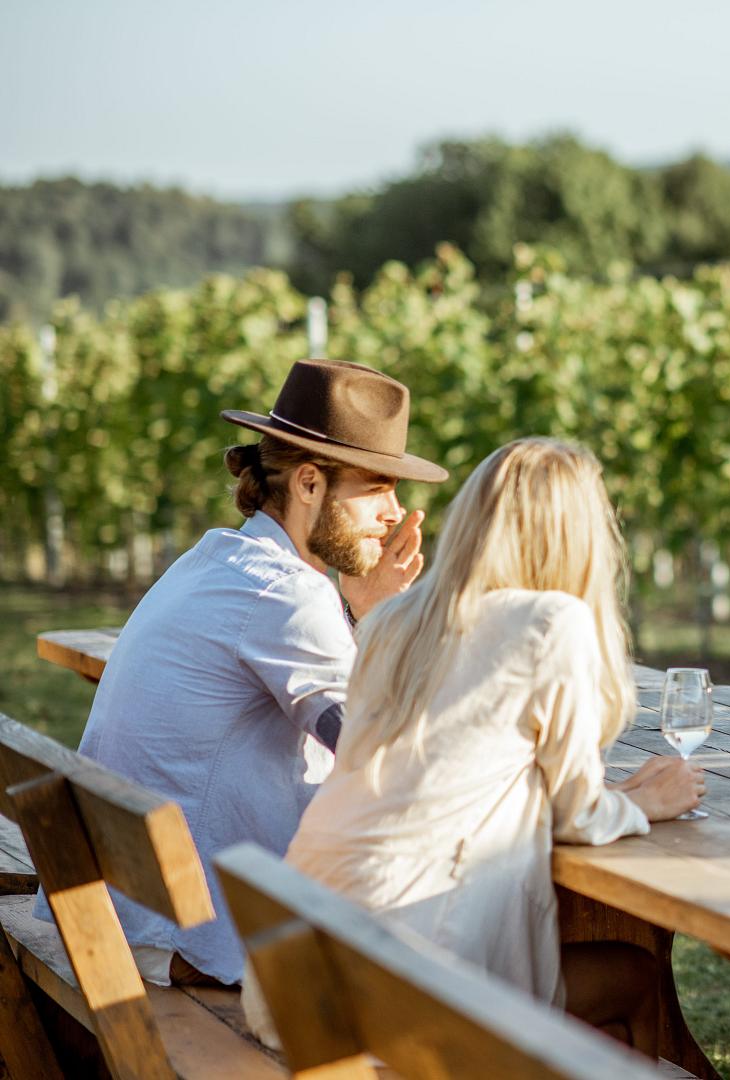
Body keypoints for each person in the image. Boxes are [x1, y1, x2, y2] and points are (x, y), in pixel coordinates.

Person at [243, 437, 704, 1047]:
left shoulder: (390, 620)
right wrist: (646, 803)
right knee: (635, 977)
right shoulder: (549, 622)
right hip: (400, 986)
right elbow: (576, 816)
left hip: (291, 978)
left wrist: (611, 793)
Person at [38, 358, 448, 987]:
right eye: (376, 487)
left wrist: (361, 611)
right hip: (191, 942)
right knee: (482, 958)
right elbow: (380, 753)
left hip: (123, 916)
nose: (395, 512)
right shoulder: (287, 595)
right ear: (308, 484)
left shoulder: (216, 559)